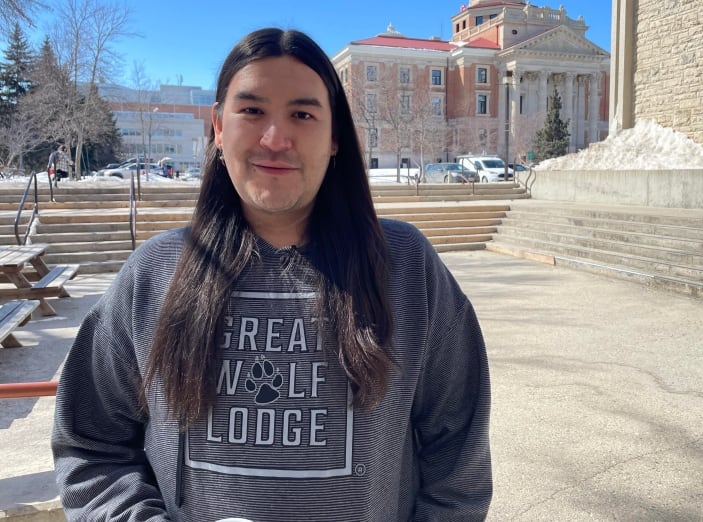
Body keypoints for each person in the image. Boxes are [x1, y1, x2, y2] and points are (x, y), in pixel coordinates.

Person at [52, 27, 492, 521]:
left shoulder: (408, 268)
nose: (275, 138)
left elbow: (458, 448)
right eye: (252, 110)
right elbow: (91, 447)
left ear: (334, 138)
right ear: (218, 128)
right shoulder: (153, 275)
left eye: (302, 114)